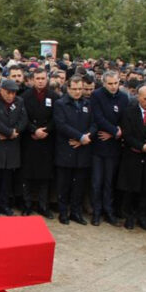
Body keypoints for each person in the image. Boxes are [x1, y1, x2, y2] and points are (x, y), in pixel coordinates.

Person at [116, 85, 146, 231]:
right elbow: (127, 134)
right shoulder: (129, 112)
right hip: (133, 155)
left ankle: (142, 217)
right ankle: (129, 216)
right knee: (131, 188)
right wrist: (141, 146)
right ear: (138, 97)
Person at [54, 76, 95, 225]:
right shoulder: (60, 104)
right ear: (68, 88)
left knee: (79, 185)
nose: (78, 92)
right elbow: (61, 124)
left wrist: (85, 138)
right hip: (66, 149)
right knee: (64, 184)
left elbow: (94, 124)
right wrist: (79, 136)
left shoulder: (88, 104)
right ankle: (63, 212)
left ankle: (76, 212)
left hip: (83, 150)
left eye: (80, 89)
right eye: (74, 89)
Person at [90, 71, 128, 226]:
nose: (113, 87)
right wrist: (114, 130)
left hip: (114, 145)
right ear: (104, 83)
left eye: (116, 83)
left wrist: (116, 133)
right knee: (97, 181)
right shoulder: (96, 95)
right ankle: (96, 212)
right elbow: (98, 117)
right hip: (99, 144)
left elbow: (125, 119)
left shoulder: (124, 97)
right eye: (110, 84)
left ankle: (109, 211)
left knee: (109, 182)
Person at [0, 79, 27, 216]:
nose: (11, 96)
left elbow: (23, 120)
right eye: (8, 93)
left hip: (12, 145)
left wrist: (13, 133)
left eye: (13, 93)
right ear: (1, 90)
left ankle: (4, 204)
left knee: (7, 179)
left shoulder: (19, 101)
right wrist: (8, 132)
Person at [20, 68, 57, 217]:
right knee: (28, 175)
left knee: (44, 176)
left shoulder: (54, 96)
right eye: (37, 78)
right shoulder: (25, 97)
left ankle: (43, 205)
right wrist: (34, 130)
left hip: (46, 140)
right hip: (30, 139)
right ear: (32, 80)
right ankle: (27, 204)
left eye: (43, 78)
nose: (40, 81)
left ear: (46, 79)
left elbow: (56, 118)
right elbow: (23, 117)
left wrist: (46, 130)